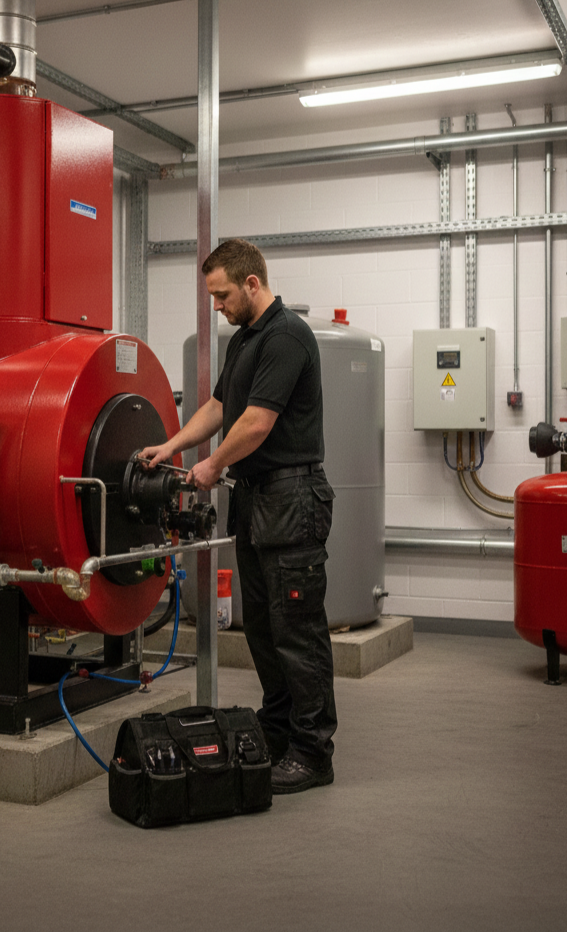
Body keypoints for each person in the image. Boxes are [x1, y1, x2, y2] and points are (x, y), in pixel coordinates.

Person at [139, 238, 337, 795]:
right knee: (264, 631)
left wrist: (210, 467)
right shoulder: (245, 339)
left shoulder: (286, 336)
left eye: (223, 295)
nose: (218, 306)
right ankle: (277, 735)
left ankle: (312, 751)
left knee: (297, 632)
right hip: (254, 500)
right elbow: (221, 407)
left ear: (252, 283)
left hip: (291, 499)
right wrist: (172, 446)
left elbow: (255, 423)